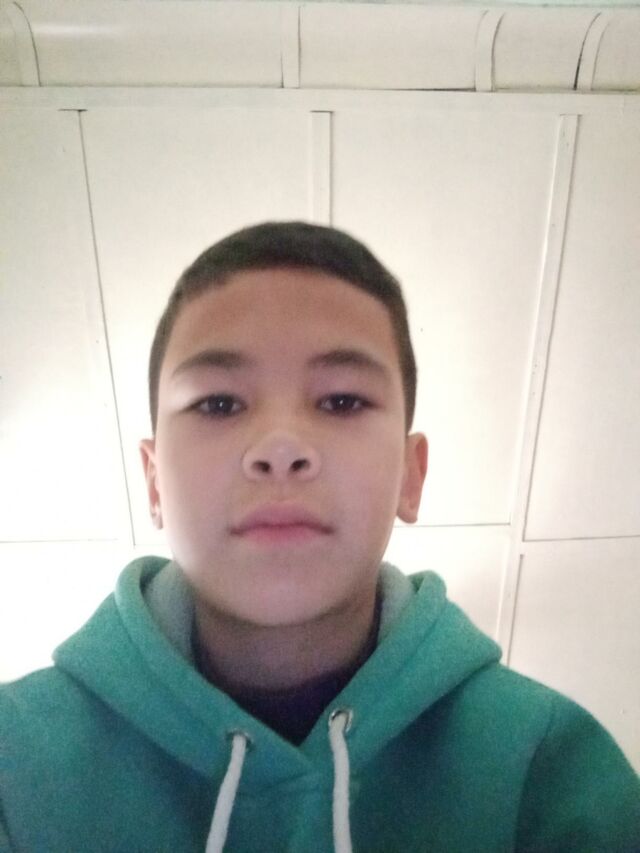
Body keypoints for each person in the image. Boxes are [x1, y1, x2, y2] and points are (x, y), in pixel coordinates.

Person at [0, 221, 638, 853]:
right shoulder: (15, 765)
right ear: (154, 481)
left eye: (342, 401)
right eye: (218, 403)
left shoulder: (545, 768)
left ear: (410, 477)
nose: (280, 447)